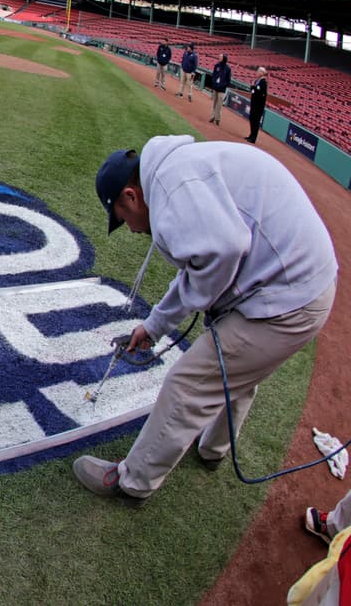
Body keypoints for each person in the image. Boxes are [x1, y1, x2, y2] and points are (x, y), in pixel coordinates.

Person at [74, 136, 337, 505]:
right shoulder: (174, 171)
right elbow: (201, 266)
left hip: (288, 298)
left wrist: (206, 302)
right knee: (239, 369)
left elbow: (225, 248)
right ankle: (213, 448)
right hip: (306, 282)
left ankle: (133, 481)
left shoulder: (171, 194)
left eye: (122, 217)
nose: (132, 229)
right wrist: (153, 326)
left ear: (131, 196)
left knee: (190, 382)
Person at [247, 66, 268, 143]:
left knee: (255, 121)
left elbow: (260, 94)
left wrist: (254, 88)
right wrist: (253, 87)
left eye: (259, 71)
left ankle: (253, 138)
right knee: (252, 119)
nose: (257, 73)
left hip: (258, 106)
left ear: (262, 73)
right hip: (254, 103)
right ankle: (251, 135)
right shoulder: (257, 81)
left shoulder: (263, 83)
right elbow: (252, 90)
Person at [209, 53, 231, 125]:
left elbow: (228, 80)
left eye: (221, 57)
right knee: (214, 103)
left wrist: (223, 85)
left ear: (224, 58)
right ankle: (212, 117)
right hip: (215, 87)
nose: (219, 57)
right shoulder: (217, 65)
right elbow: (214, 75)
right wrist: (214, 83)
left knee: (219, 105)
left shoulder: (228, 68)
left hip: (222, 89)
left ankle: (217, 118)